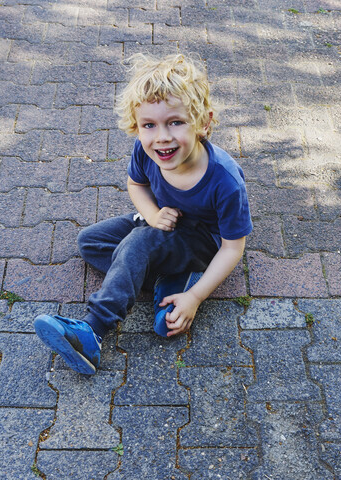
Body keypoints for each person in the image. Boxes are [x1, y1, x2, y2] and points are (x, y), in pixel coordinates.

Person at [34, 53, 253, 375]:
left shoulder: (225, 180)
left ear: (203, 122)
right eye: (149, 125)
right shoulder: (146, 149)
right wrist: (150, 214)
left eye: (175, 122)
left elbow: (234, 247)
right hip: (162, 221)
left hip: (205, 242)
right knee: (90, 241)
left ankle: (93, 331)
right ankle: (166, 276)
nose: (161, 136)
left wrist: (195, 297)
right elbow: (136, 185)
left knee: (139, 244)